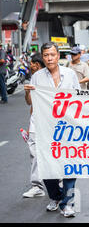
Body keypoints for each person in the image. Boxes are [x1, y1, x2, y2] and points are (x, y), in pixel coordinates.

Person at [24, 42, 81, 217]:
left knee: (70, 163)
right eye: (46, 55)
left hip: (66, 126)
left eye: (52, 55)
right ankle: (55, 197)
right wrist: (28, 92)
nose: (49, 58)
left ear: (58, 56)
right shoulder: (37, 77)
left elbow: (78, 98)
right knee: (45, 164)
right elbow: (30, 102)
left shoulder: (70, 74)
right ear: (42, 57)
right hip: (43, 127)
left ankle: (68, 202)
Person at [22, 52, 46, 199]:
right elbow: (30, 102)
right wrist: (26, 93)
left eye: (32, 63)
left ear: (37, 64)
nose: (30, 65)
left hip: (50, 121)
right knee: (34, 153)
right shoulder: (33, 79)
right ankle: (37, 186)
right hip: (36, 120)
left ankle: (60, 182)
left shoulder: (52, 78)